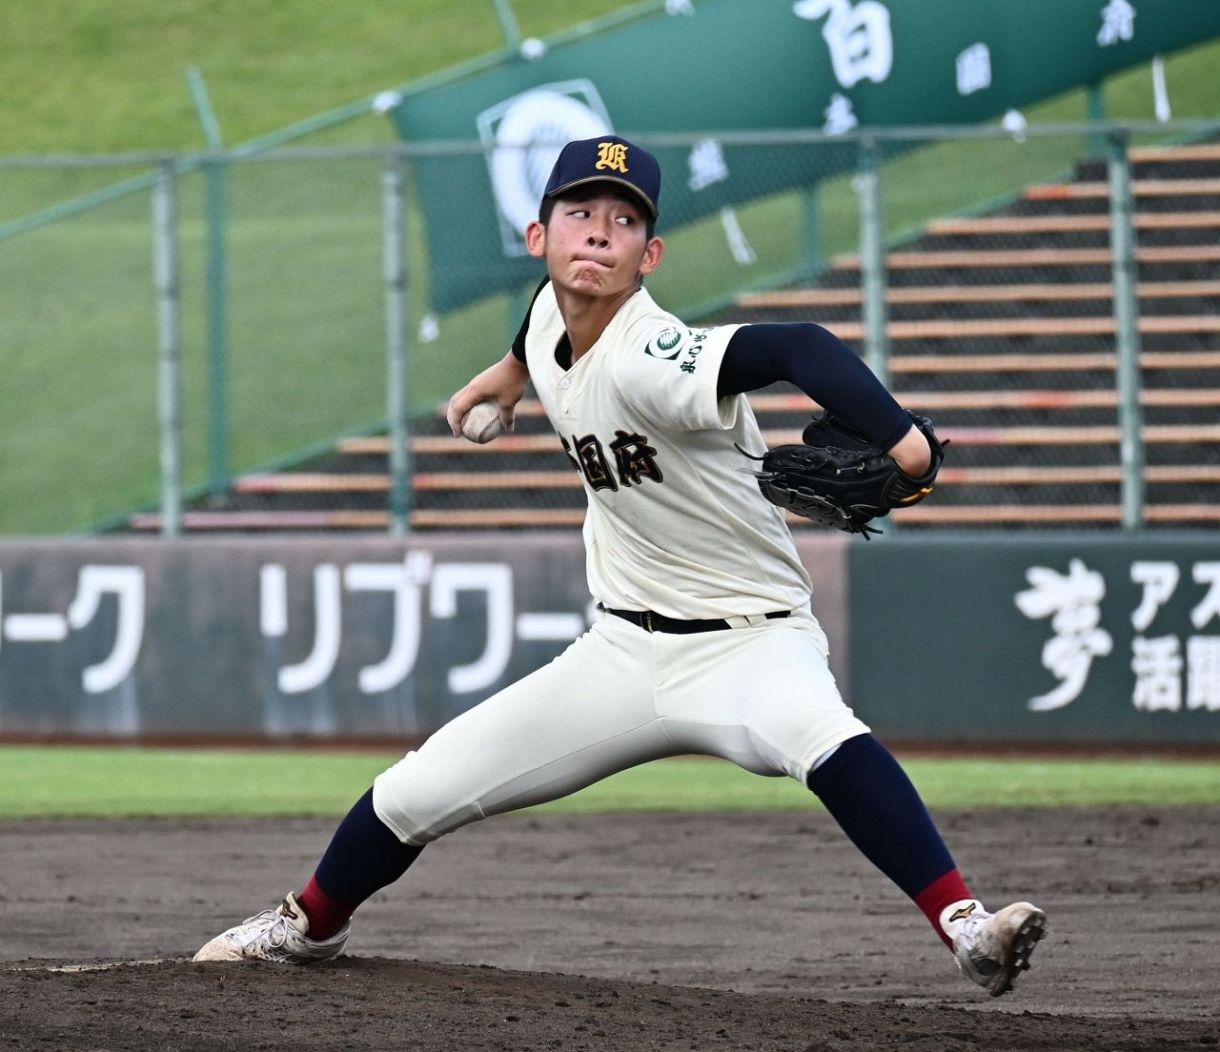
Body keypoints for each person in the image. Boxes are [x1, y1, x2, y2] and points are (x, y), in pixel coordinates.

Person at [194, 135, 1046, 997]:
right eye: (581, 213)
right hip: (621, 654)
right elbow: (543, 320)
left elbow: (800, 345)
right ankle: (309, 926)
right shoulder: (547, 318)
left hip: (751, 647)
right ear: (539, 237)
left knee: (828, 741)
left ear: (651, 255)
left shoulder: (652, 356)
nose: (599, 232)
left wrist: (906, 446)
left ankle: (966, 927)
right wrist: (509, 372)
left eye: (624, 221)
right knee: (419, 789)